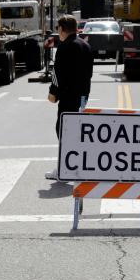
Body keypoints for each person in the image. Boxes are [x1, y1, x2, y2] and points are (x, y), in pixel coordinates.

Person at [45, 15, 94, 180]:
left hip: (67, 96)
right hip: (82, 97)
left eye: (58, 28)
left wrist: (53, 93)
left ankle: (64, 168)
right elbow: (89, 74)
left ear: (61, 29)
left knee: (62, 130)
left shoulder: (64, 47)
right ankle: (77, 164)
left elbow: (58, 74)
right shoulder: (86, 46)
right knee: (77, 132)